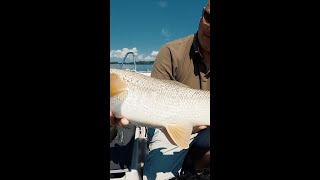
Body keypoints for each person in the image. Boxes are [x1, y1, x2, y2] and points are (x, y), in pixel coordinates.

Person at [110, 0, 211, 179]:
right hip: (167, 127)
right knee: (159, 175)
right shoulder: (171, 51)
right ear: (202, 15)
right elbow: (156, 110)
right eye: (209, 17)